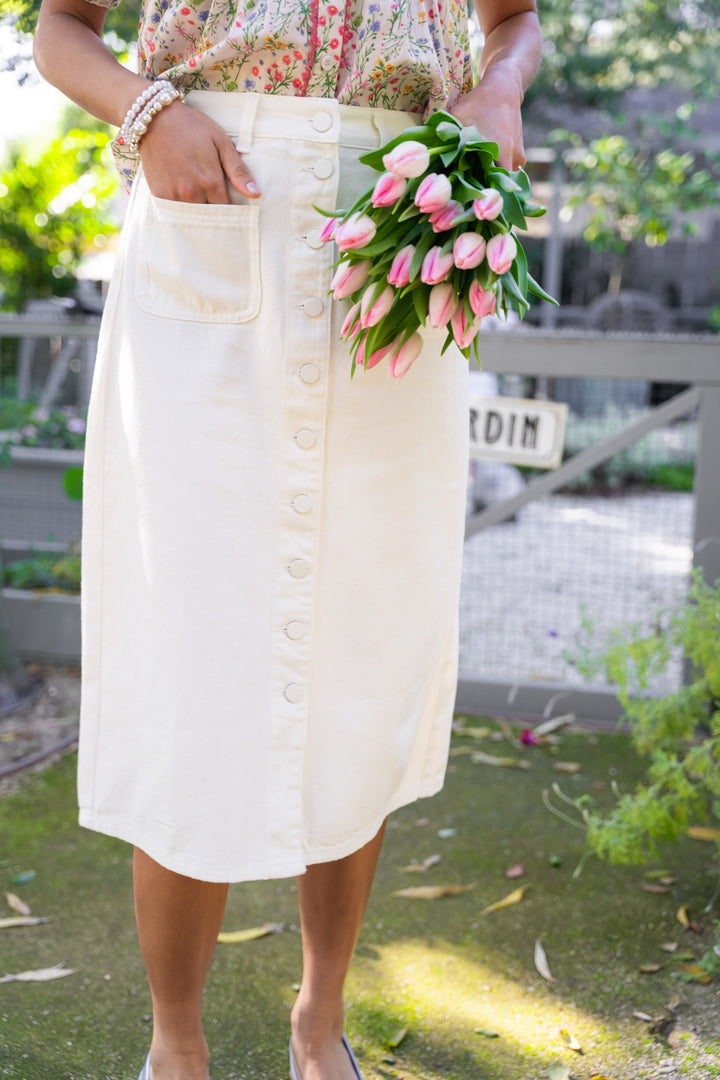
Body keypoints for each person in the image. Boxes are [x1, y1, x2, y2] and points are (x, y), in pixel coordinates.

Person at [33, 2, 542, 1078]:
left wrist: (498, 92)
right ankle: (177, 1047)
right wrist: (147, 109)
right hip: (209, 213)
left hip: (401, 236)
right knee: (192, 661)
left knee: (360, 657)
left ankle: (320, 1025)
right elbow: (61, 28)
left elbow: (516, 20)